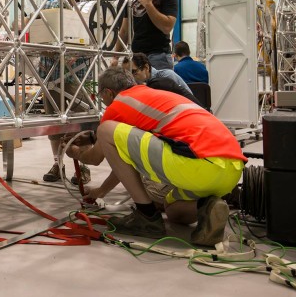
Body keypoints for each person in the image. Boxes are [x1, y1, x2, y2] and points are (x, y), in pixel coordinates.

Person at [65, 67, 246, 246]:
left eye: (101, 96)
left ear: (108, 92)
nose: (103, 101)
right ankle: (208, 207)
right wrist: (101, 191)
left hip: (199, 163)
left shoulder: (118, 104)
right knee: (173, 211)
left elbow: (95, 158)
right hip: (231, 169)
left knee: (105, 130)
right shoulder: (152, 96)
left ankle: (147, 216)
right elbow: (125, 160)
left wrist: (76, 152)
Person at [31, 0, 92, 186]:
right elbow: (31, 29)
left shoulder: (79, 11)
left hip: (75, 76)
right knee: (54, 123)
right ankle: (58, 164)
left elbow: (87, 42)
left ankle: (84, 165)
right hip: (51, 75)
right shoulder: (46, 5)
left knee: (80, 122)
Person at [111, 0, 177, 70]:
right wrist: (115, 56)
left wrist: (148, 5)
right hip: (137, 57)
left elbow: (167, 27)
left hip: (159, 56)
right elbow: (125, 31)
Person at [125, 53, 192, 96]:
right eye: (127, 74)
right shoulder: (142, 84)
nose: (131, 77)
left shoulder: (167, 77)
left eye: (133, 72)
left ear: (146, 67)